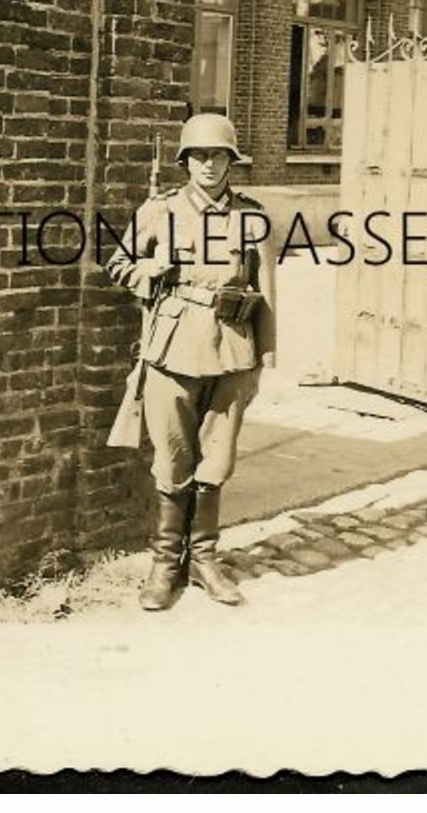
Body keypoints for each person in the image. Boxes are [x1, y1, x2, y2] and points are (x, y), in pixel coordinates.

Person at [106, 113, 276, 610]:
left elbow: (267, 291)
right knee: (173, 457)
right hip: (172, 349)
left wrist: (261, 359)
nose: (208, 164)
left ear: (231, 162)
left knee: (216, 458)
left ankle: (203, 560)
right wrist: (147, 270)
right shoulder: (160, 211)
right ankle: (164, 565)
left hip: (232, 351)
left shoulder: (253, 217)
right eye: (199, 156)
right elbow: (118, 263)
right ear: (185, 162)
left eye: (218, 155)